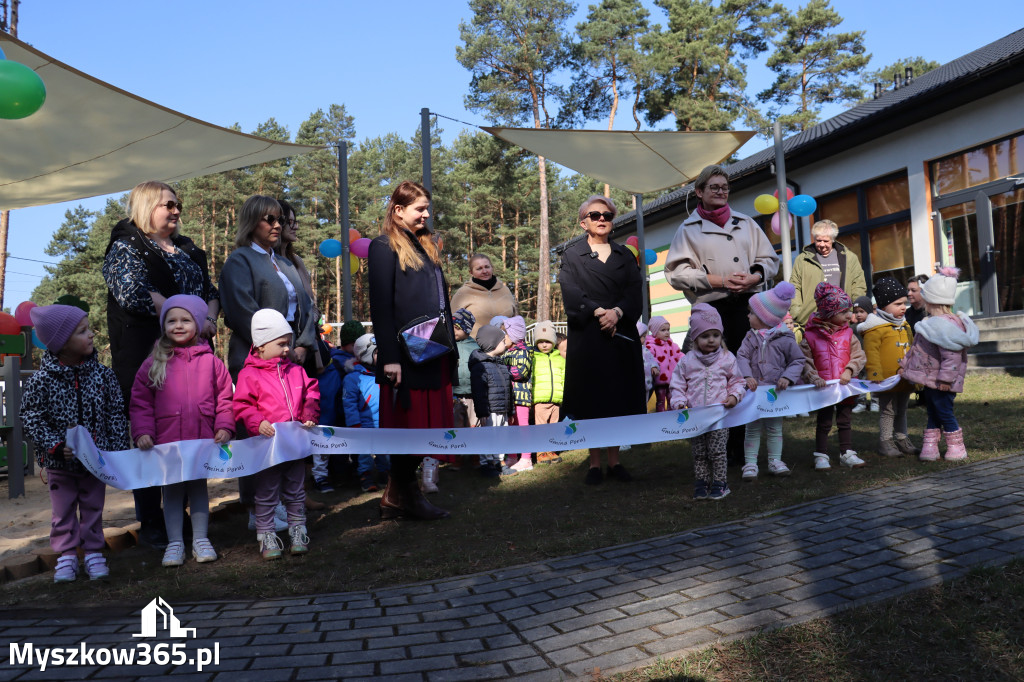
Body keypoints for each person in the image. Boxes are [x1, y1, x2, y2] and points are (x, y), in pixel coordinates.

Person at [103, 180, 220, 549]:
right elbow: (133, 294)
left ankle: (185, 518)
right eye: (167, 204)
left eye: (177, 204)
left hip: (194, 360)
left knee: (189, 432)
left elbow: (211, 293)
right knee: (151, 437)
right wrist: (186, 316)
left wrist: (208, 318)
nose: (176, 210)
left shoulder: (188, 250)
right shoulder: (127, 245)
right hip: (148, 357)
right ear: (146, 206)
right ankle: (153, 521)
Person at [663, 165, 780, 466]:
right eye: (714, 187)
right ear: (699, 192)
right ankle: (714, 446)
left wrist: (755, 276)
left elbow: (770, 259)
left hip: (748, 308)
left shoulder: (746, 223)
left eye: (725, 187)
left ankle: (743, 446)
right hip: (711, 312)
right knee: (712, 377)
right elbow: (675, 273)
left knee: (745, 372)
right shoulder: (688, 229)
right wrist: (716, 280)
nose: (721, 191)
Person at [22, 305, 130, 582]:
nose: (91, 334)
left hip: (95, 462)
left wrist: (117, 453)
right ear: (62, 342)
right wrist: (55, 445)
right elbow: (31, 418)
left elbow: (115, 415)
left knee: (93, 507)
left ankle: (93, 552)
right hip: (60, 462)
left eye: (88, 328)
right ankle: (67, 555)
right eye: (82, 331)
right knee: (63, 510)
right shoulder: (42, 381)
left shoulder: (104, 376)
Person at [367, 181, 456, 520]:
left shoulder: (424, 245)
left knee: (426, 430)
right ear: (398, 209)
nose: (426, 214)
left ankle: (396, 496)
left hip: (432, 351)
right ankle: (407, 496)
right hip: (405, 357)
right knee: (410, 431)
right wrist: (390, 358)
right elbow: (381, 307)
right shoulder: (382, 246)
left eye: (427, 208)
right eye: (420, 209)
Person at [129, 295, 234, 567]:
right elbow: (140, 402)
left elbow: (225, 399)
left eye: (185, 320)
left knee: (198, 489)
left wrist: (224, 425)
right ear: (163, 326)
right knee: (172, 492)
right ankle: (175, 542)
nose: (178, 325)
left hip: (201, 440)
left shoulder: (212, 363)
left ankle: (200, 539)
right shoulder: (153, 362)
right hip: (167, 443)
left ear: (197, 324)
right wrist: (142, 431)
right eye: (171, 320)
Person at [558, 195, 647, 485]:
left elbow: (635, 291)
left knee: (618, 398)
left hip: (621, 335)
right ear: (583, 223)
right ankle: (594, 463)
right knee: (592, 399)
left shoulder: (625, 255)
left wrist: (617, 313)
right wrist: (598, 312)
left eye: (607, 215)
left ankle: (615, 461)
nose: (601, 219)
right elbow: (571, 291)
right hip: (589, 336)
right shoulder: (572, 255)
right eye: (594, 215)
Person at [233, 309, 321, 559]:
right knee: (266, 492)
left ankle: (298, 530)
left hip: (294, 446)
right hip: (267, 448)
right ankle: (266, 535)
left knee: (296, 490)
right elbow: (242, 405)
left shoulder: (296, 371)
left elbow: (311, 393)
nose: (286, 349)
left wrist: (309, 413)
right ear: (261, 345)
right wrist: (257, 422)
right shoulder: (249, 374)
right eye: (281, 343)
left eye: (288, 343)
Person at [219, 195, 320, 381]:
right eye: (270, 219)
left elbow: (306, 306)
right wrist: (280, 346)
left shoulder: (285, 263)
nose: (278, 226)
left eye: (280, 220)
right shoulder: (239, 261)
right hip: (256, 359)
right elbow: (242, 313)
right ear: (251, 221)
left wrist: (303, 346)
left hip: (294, 358)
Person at [899, 267, 979, 462]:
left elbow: (951, 356)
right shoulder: (932, 322)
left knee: (944, 411)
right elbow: (917, 348)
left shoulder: (944, 326)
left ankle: (957, 446)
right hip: (931, 378)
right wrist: (905, 365)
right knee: (933, 411)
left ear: (931, 300)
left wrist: (945, 379)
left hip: (942, 381)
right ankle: (931, 446)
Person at [669, 304, 746, 500]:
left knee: (717, 451)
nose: (711, 340)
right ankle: (701, 483)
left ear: (721, 336)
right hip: (696, 417)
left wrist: (734, 396)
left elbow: (737, 381)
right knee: (699, 453)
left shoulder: (727, 358)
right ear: (695, 338)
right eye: (705, 336)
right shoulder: (687, 361)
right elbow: (677, 384)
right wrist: (679, 402)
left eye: (715, 335)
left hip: (719, 416)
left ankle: (720, 483)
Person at [736, 282, 804, 479]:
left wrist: (787, 377)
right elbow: (741, 356)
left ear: (765, 317)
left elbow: (798, 360)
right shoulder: (750, 337)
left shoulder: (785, 338)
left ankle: (775, 461)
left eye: (751, 313)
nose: (748, 316)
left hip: (775, 393)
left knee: (775, 429)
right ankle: (750, 463)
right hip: (754, 393)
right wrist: (747, 376)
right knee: (752, 428)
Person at [800, 283, 867, 471]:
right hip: (824, 388)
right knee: (824, 422)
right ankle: (821, 455)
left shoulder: (849, 333)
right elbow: (804, 360)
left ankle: (847, 452)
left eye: (849, 311)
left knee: (845, 420)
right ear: (829, 313)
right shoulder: (811, 336)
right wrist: (813, 377)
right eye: (844, 311)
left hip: (845, 387)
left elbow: (859, 356)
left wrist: (849, 370)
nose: (849, 315)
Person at [858, 278, 917, 457]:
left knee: (902, 409)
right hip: (886, 379)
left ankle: (902, 438)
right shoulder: (875, 329)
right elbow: (871, 353)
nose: (903, 307)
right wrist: (875, 373)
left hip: (904, 377)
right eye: (898, 304)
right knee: (888, 410)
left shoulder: (904, 325)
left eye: (904, 303)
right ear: (883, 306)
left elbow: (912, 348)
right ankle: (885, 441)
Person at [789, 219, 867, 328]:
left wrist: (855, 310)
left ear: (833, 240)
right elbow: (794, 287)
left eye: (826, 241)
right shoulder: (802, 259)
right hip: (812, 321)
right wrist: (797, 312)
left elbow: (858, 285)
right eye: (818, 240)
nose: (822, 244)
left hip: (842, 320)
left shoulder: (849, 258)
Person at [342, 334, 389, 491]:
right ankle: (365, 476)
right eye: (378, 352)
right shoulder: (353, 378)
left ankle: (384, 473)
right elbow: (349, 403)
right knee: (365, 453)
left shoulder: (385, 374)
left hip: (383, 421)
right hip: (364, 423)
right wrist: (354, 424)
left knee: (385, 451)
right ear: (366, 354)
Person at [470, 325, 516, 478]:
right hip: (490, 411)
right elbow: (479, 391)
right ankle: (487, 464)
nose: (505, 343)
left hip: (502, 409)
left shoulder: (500, 364)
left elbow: (508, 389)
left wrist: (510, 410)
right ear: (492, 343)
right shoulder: (480, 366)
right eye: (502, 341)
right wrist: (482, 412)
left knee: (502, 436)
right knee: (489, 437)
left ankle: (499, 462)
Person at [450, 253, 518, 337]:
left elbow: (515, 320)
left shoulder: (505, 290)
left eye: (487, 267)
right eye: (479, 269)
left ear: (492, 268)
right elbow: (451, 325)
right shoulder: (462, 293)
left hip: (507, 344)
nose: (484, 271)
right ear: (471, 272)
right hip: (474, 345)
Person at [500, 315, 534, 472]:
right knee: (511, 427)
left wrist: (503, 371)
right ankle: (512, 456)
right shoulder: (507, 352)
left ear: (513, 336)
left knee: (522, 427)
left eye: (505, 335)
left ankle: (526, 459)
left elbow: (521, 372)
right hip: (510, 397)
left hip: (521, 396)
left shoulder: (524, 351)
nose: (503, 338)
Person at [531, 320, 565, 465]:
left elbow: (563, 378)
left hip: (556, 399)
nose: (544, 345)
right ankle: (541, 452)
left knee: (553, 426)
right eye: (541, 342)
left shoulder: (559, 359)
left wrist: (563, 395)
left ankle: (551, 450)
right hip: (540, 399)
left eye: (548, 341)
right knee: (541, 427)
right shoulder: (533, 358)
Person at [452, 308, 481, 432]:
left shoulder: (475, 347)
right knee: (455, 428)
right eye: (452, 327)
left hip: (472, 396)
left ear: (467, 329)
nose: (453, 331)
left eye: (457, 328)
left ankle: (473, 445)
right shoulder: (450, 345)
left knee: (473, 427)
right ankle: (457, 445)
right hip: (454, 395)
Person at [645, 316, 683, 412]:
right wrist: (653, 366)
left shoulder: (672, 345)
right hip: (660, 380)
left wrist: (686, 360)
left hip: (673, 380)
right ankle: (661, 417)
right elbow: (649, 358)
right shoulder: (651, 346)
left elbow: (679, 354)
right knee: (660, 400)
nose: (667, 332)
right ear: (654, 332)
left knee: (672, 399)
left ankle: (672, 416)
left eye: (668, 330)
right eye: (663, 330)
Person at [850, 295, 879, 415]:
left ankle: (875, 401)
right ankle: (861, 402)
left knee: (874, 380)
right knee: (861, 381)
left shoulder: (875, 327)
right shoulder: (852, 329)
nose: (858, 314)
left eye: (862, 311)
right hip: (860, 361)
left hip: (873, 360)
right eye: (856, 312)